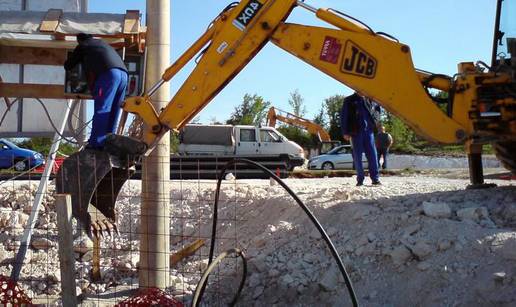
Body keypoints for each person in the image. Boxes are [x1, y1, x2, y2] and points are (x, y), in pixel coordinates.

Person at [64, 33, 128, 150]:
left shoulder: (83, 45)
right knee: (114, 110)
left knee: (103, 108)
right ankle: (109, 141)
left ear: (79, 40)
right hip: (123, 75)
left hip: (109, 75)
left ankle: (96, 144)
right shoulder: (102, 44)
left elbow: (68, 65)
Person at [340, 92, 381, 186]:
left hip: (369, 132)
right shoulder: (349, 100)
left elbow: (378, 111)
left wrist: (375, 123)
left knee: (373, 155)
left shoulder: (371, 99)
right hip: (355, 132)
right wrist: (345, 132)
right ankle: (360, 179)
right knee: (357, 157)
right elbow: (344, 116)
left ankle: (375, 179)